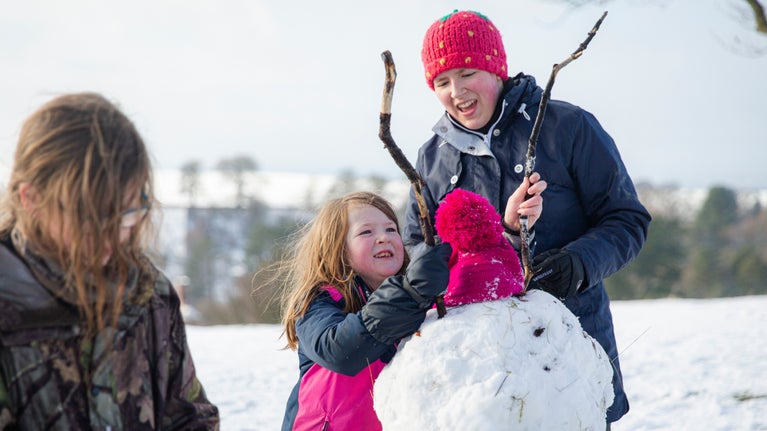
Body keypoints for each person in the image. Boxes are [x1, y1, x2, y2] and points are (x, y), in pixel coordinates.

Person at [405, 10, 652, 426]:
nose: (456, 91)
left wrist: (579, 263)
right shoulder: (432, 158)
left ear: (496, 70)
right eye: (442, 82)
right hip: (479, 372)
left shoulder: (567, 126)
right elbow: (416, 248)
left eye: (468, 73)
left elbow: (626, 219)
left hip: (569, 349)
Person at [0, 92, 219, 430]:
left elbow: (190, 417)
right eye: (93, 217)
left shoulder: (149, 296)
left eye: (127, 213)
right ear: (32, 199)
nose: (114, 235)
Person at [277, 191, 455, 431]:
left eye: (391, 229)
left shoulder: (420, 301)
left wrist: (510, 229)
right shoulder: (319, 301)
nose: (383, 237)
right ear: (339, 249)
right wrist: (410, 293)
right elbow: (340, 351)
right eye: (366, 231)